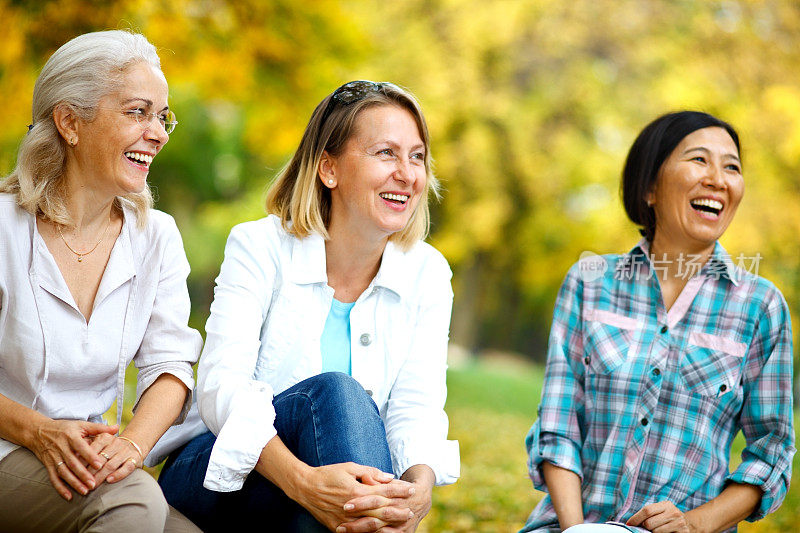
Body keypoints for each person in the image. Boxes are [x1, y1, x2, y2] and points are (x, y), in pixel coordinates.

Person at [158, 80, 460, 532]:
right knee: (338, 394)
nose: (408, 173)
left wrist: (417, 487)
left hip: (339, 494)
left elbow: (417, 406)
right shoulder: (259, 246)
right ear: (328, 169)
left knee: (336, 514)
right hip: (216, 472)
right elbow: (222, 389)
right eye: (386, 153)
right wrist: (305, 482)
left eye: (417, 156)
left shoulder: (429, 274)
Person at [522, 111, 795, 533]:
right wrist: (579, 530)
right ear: (650, 186)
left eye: (732, 167)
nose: (718, 179)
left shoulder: (761, 307)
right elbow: (558, 427)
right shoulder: (589, 282)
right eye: (699, 160)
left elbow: (772, 451)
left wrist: (693, 524)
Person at [0, 30, 203, 532]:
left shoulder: (156, 237)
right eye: (137, 112)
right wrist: (41, 431)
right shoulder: (4, 228)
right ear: (70, 121)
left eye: (162, 116)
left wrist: (132, 444)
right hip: (8, 447)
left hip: (96, 461)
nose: (157, 132)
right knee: (131, 504)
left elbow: (171, 367)